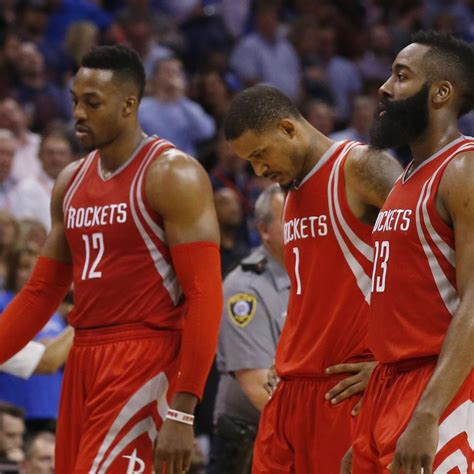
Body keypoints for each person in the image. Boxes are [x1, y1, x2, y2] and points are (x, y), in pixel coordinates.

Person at [0, 44, 223, 473]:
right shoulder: (70, 181)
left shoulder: (172, 173)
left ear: (129, 105)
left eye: (92, 102)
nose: (78, 113)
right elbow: (42, 291)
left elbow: (205, 296)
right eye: (74, 101)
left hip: (145, 360)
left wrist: (183, 408)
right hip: (83, 359)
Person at [224, 84, 403, 473]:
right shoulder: (291, 193)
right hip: (290, 391)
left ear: (287, 128)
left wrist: (396, 367)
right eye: (249, 162)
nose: (258, 171)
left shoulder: (359, 166)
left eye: (260, 155)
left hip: (344, 390)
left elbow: (433, 257)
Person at [348, 31, 474, 474]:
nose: (385, 87)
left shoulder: (464, 168)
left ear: (441, 93)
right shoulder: (406, 178)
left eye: (401, 76)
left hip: (443, 388)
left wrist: (427, 413)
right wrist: (371, 422)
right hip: (389, 387)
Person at [209, 185, 289, 474]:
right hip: (247, 443)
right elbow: (258, 386)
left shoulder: (317, 274)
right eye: (288, 219)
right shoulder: (244, 288)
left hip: (293, 435)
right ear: (264, 230)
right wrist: (314, 432)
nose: (300, 225)